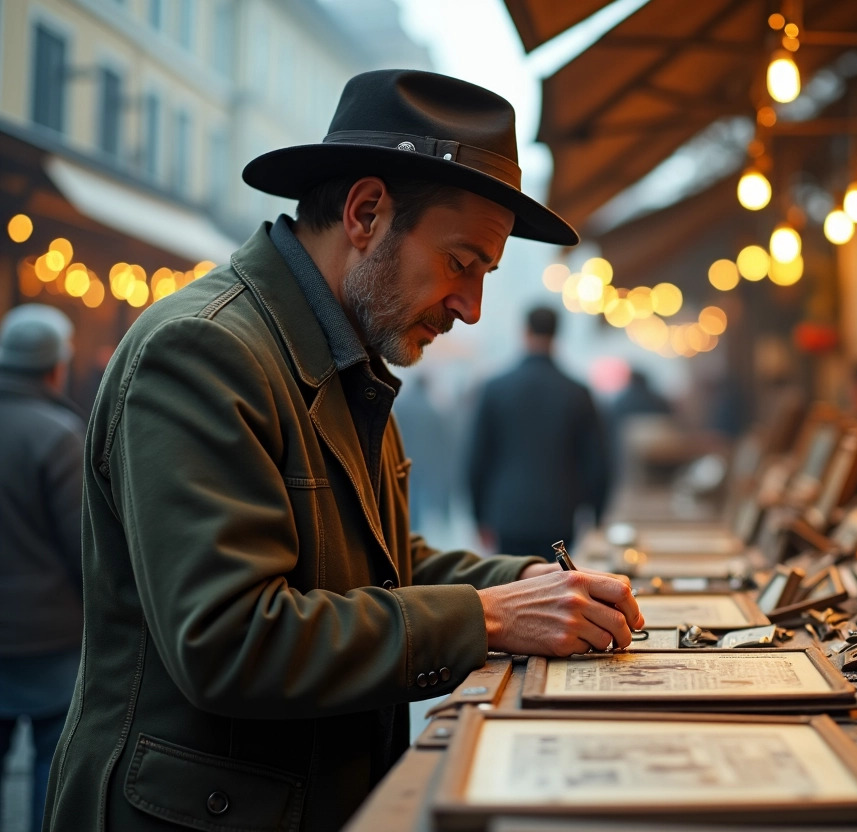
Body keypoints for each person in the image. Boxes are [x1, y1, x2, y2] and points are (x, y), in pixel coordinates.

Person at [44, 70, 642, 832]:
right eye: (462, 262)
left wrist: (529, 582)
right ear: (365, 213)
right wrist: (487, 617)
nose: (471, 306)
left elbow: (380, 563)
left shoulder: (345, 353)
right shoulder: (204, 350)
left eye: (486, 275)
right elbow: (230, 640)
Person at [0, 304, 84, 832]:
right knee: (51, 766)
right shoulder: (59, 435)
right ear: (56, 366)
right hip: (50, 637)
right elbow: (84, 547)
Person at [467, 306, 609, 559]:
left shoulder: (495, 388)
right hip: (560, 513)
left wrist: (478, 516)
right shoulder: (577, 392)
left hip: (508, 513)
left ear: (525, 331)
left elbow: (477, 458)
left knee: (514, 588)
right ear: (557, 334)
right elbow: (597, 462)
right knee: (556, 586)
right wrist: (595, 515)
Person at [390, 373, 454, 533]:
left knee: (410, 493)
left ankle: (410, 528)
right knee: (421, 494)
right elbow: (440, 437)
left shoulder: (401, 405)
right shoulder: (431, 408)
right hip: (426, 460)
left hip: (405, 456)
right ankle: (415, 530)